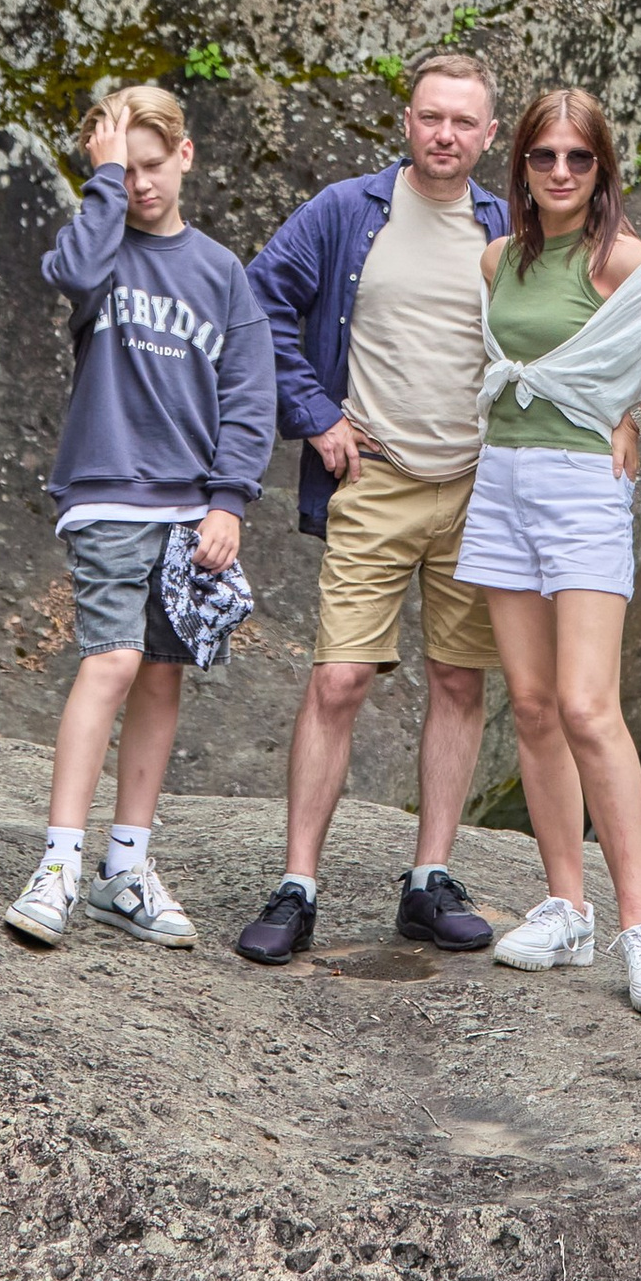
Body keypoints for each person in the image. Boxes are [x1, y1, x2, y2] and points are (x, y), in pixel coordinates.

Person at [462, 86, 641, 1015]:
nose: (558, 172)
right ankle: (565, 903)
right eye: (543, 156)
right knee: (536, 706)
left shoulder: (616, 257)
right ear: (522, 166)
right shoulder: (499, 257)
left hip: (584, 489)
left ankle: (640, 924)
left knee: (590, 707)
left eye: (577, 159)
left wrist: (640, 412)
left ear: (601, 169)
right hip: (501, 484)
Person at [233, 53, 511, 965]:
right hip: (378, 482)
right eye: (431, 117)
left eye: (463, 122)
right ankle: (298, 884)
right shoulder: (347, 211)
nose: (445, 134)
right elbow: (258, 299)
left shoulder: (510, 226)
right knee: (338, 679)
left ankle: (429, 880)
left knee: (461, 681)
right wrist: (315, 415)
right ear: (406, 121)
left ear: (488, 134)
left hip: (477, 489)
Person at [2, 84, 275, 956]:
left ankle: (129, 864)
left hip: (190, 507)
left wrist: (230, 497)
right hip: (107, 493)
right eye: (128, 170)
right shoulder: (101, 249)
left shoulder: (221, 272)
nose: (143, 185)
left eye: (153, 166)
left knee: (162, 673)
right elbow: (73, 273)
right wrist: (105, 180)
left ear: (186, 156)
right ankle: (58, 862)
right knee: (112, 659)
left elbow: (248, 393)